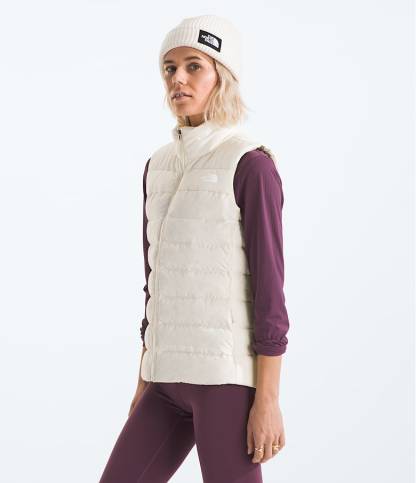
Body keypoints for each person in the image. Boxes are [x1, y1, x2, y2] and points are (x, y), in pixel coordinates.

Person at [99, 14, 290, 483]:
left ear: (222, 75)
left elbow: (270, 293)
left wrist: (267, 400)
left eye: (193, 66)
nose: (177, 79)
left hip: (225, 381)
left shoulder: (251, 164)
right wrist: (143, 380)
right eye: (169, 68)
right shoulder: (158, 165)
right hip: (164, 381)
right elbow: (156, 285)